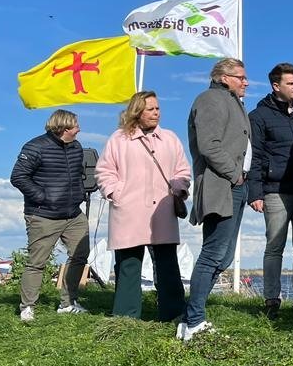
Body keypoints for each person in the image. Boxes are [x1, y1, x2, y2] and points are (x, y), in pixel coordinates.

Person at [96, 91, 191, 320]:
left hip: (162, 210)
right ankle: (126, 316)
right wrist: (115, 192)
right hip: (129, 210)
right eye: (150, 109)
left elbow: (182, 170)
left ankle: (173, 313)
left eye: (158, 108)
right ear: (137, 112)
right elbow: (104, 171)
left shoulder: (170, 138)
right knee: (128, 263)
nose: (156, 113)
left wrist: (179, 186)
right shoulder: (118, 140)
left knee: (167, 263)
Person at [181, 57, 252, 341]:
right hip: (220, 185)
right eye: (241, 77)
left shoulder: (232, 101)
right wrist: (234, 174)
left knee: (222, 257)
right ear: (224, 77)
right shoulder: (210, 99)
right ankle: (194, 321)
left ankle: (190, 318)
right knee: (213, 253)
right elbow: (209, 144)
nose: (246, 82)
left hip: (235, 186)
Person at [10, 109, 91, 322]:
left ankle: (68, 303)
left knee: (80, 255)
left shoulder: (76, 147)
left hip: (73, 214)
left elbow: (78, 175)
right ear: (64, 128)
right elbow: (18, 176)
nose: (79, 129)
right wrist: (43, 197)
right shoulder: (35, 147)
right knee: (37, 262)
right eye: (75, 126)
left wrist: (80, 194)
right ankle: (27, 307)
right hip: (43, 215)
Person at [247, 62, 293, 319]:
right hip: (275, 190)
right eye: (290, 83)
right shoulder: (259, 117)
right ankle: (272, 299)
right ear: (276, 86)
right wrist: (256, 192)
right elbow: (256, 156)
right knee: (275, 246)